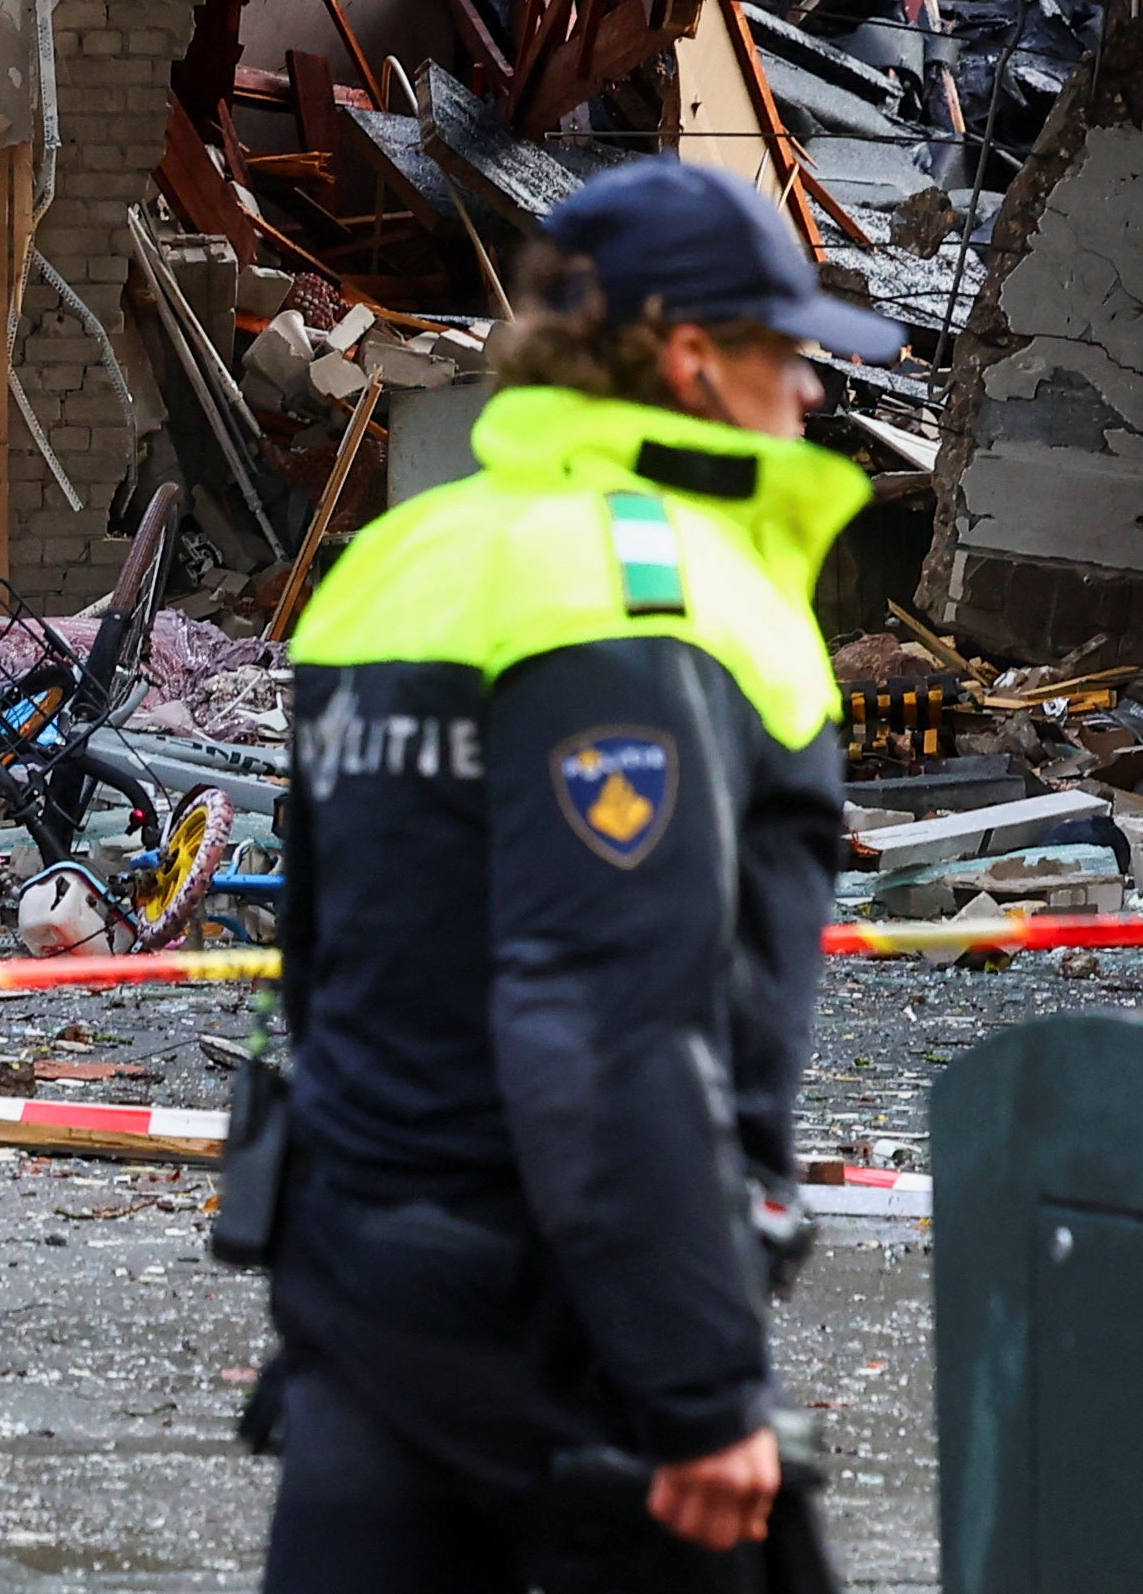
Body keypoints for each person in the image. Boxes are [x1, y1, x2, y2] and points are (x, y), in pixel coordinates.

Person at [247, 154, 886, 1594]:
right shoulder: (652, 591)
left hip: (365, 1311)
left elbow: (321, 968)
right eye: (791, 355)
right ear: (692, 361)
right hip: (572, 1337)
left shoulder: (400, 559)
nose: (817, 395)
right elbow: (601, 1016)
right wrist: (703, 1383)